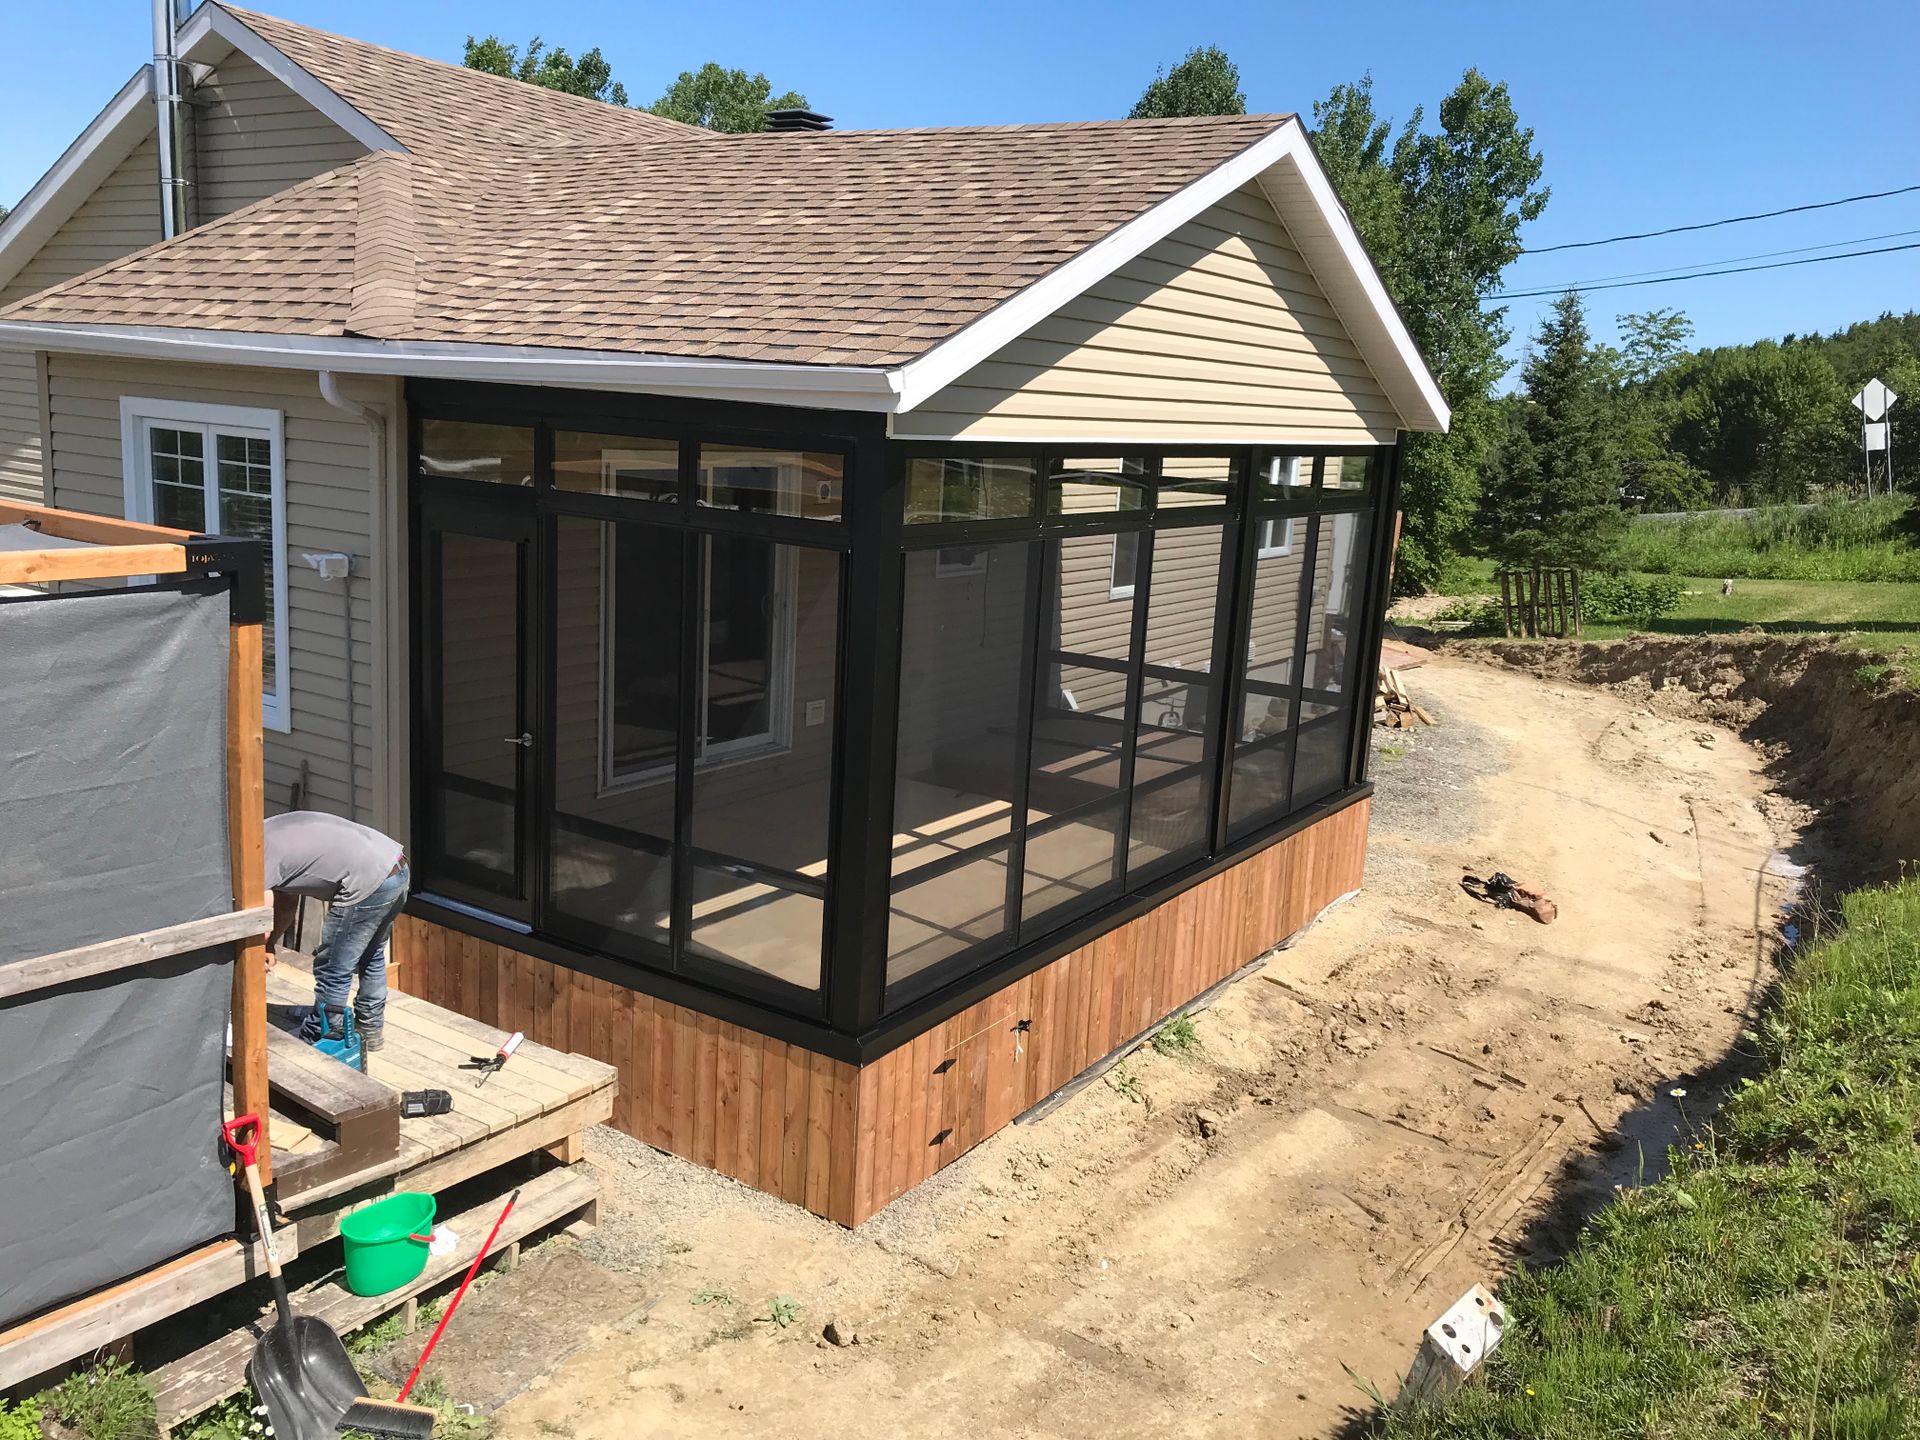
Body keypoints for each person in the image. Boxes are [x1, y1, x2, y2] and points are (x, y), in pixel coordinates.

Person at [264, 810, 409, 1052]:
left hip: (368, 880)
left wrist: (261, 944)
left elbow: (260, 913)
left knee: (333, 967)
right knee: (371, 955)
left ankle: (321, 1034)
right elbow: (286, 902)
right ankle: (369, 1030)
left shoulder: (254, 855)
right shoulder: (268, 832)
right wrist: (268, 946)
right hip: (396, 867)